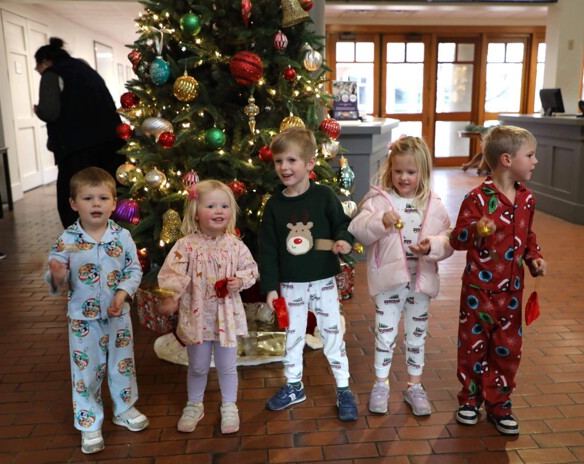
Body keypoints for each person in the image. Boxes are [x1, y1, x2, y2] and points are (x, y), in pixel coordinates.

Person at [450, 125, 547, 435]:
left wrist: (534, 258)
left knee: (508, 349)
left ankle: (499, 404)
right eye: (530, 155)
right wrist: (477, 229)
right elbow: (457, 239)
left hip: (512, 292)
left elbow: (528, 235)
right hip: (479, 291)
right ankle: (469, 400)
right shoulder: (477, 199)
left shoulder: (527, 199)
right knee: (472, 347)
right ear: (507, 159)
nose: (535, 161)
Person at [348, 135, 453, 416]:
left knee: (416, 336)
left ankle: (414, 385)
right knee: (385, 335)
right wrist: (379, 222)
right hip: (389, 283)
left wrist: (431, 246)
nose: (403, 177)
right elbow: (358, 228)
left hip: (420, 282)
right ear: (389, 169)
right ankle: (380, 384)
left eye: (410, 172)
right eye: (398, 171)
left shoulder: (433, 204)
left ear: (423, 173)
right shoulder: (379, 201)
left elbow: (448, 239)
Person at [46, 167, 149, 454]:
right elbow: (58, 281)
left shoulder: (122, 236)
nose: (96, 204)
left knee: (122, 365)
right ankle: (90, 423)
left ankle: (124, 408)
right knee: (86, 371)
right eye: (88, 198)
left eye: (103, 198)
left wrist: (122, 293)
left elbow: (133, 269)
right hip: (83, 321)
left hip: (118, 317)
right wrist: (57, 274)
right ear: (73, 204)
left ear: (114, 203)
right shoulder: (67, 240)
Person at [259, 126, 358, 422]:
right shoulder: (275, 207)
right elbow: (267, 251)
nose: (284, 167)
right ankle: (293, 385)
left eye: (291, 161)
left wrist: (343, 240)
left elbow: (342, 224)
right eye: (279, 161)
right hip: (291, 286)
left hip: (324, 281)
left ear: (310, 163)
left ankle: (343, 388)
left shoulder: (324, 196)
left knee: (332, 334)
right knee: (292, 335)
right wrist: (270, 288)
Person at [157, 180, 258, 434]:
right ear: (195, 212)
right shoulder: (186, 245)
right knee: (199, 365)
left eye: (224, 206)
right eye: (211, 205)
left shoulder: (235, 245)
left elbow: (251, 270)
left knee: (227, 365)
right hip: (197, 316)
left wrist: (240, 281)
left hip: (225, 316)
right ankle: (194, 404)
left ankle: (229, 404)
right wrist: (172, 295)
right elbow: (171, 273)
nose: (218, 211)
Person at [34, 37, 125, 229]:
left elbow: (50, 111)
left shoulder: (52, 74)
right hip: (110, 141)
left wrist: (38, 110)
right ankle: (111, 238)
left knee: (75, 195)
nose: (38, 71)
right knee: (106, 190)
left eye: (38, 67)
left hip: (76, 147)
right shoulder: (85, 69)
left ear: (45, 62)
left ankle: (80, 243)